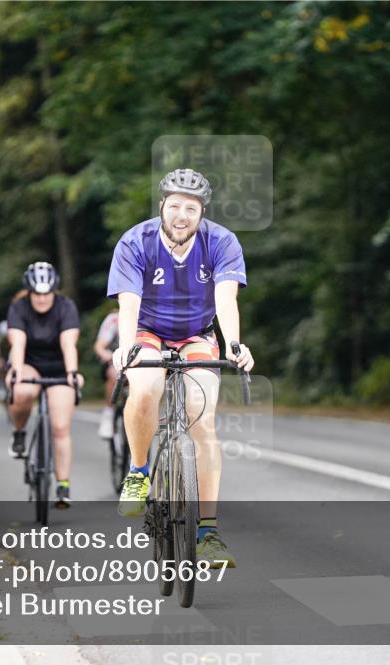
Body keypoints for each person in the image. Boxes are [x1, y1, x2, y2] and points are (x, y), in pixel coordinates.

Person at [107, 168, 254, 568]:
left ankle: (207, 532)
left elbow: (226, 300)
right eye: (174, 206)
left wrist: (234, 344)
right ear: (162, 206)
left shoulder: (221, 241)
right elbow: (128, 304)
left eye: (191, 208)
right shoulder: (135, 241)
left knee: (201, 418)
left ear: (202, 212)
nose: (181, 216)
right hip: (147, 330)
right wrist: (126, 348)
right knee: (144, 389)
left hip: (196, 333)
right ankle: (138, 471)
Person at [4, 262, 84, 509]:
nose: (41, 299)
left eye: (46, 293)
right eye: (36, 294)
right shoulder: (19, 307)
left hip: (59, 366)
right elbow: (18, 343)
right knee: (22, 391)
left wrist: (72, 373)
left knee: (60, 427)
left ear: (54, 291)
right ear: (29, 292)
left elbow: (68, 343)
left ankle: (63, 485)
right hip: (29, 363)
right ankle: (19, 432)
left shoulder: (66, 307)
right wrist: (17, 373)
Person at [93, 308, 120, 439]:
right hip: (115, 360)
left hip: (139, 361)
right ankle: (109, 412)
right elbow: (99, 346)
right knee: (113, 374)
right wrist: (105, 354)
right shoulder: (114, 319)